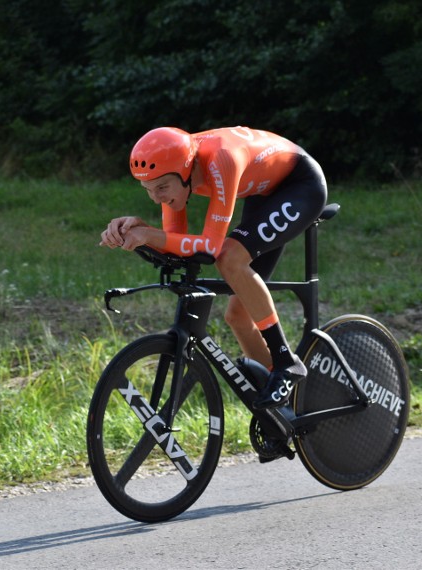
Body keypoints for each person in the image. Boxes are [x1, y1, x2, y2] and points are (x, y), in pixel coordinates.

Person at [99, 126, 328, 409]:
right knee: (238, 316)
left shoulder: (221, 160)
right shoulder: (176, 170)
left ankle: (285, 363)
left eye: (161, 188)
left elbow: (210, 248)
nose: (156, 198)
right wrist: (136, 230)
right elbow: (176, 243)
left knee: (230, 257)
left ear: (186, 171)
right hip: (263, 191)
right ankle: (282, 414)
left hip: (299, 184)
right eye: (148, 190)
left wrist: (150, 236)